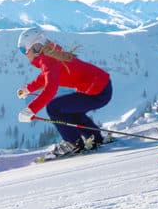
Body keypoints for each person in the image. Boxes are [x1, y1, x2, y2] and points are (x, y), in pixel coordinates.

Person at [15, 27, 114, 157]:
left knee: (54, 108)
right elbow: (46, 77)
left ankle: (72, 143)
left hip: (98, 91)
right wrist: (28, 89)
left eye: (23, 50)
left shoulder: (48, 60)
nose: (24, 54)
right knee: (69, 110)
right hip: (100, 87)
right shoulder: (50, 55)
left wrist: (31, 110)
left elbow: (50, 89)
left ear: (36, 47)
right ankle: (94, 137)